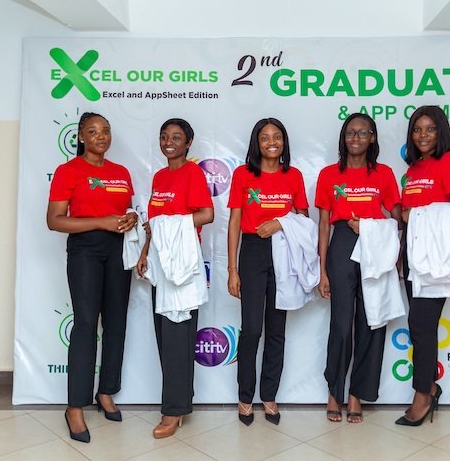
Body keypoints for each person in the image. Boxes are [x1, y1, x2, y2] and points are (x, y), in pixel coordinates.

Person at [47, 112, 139, 443]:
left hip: (118, 250)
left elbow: (125, 210)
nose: (101, 136)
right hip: (85, 250)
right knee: (86, 324)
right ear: (82, 137)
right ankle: (75, 406)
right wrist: (101, 222)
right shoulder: (68, 171)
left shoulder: (121, 172)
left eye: (106, 131)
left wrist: (130, 218)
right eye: (93, 131)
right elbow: (55, 221)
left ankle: (106, 391)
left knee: (116, 322)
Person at [315, 113, 402, 423]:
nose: (356, 138)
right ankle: (334, 392)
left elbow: (397, 217)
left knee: (371, 321)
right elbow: (323, 224)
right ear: (344, 137)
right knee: (341, 324)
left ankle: (356, 394)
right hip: (341, 244)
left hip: (374, 246)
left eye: (363, 132)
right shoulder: (329, 175)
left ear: (372, 137)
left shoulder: (384, 173)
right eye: (351, 132)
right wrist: (322, 270)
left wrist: (376, 234)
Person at [395, 105, 450, 426]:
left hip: (436, 259)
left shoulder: (449, 163)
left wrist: (415, 214)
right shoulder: (414, 169)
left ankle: (423, 395)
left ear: (441, 132)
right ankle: (428, 386)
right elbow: (408, 216)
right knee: (419, 326)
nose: (423, 135)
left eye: (429, 129)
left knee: (422, 326)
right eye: (417, 129)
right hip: (413, 257)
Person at [227, 118, 309, 425]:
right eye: (265, 137)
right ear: (256, 143)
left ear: (284, 142)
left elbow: (304, 220)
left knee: (277, 329)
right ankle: (245, 397)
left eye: (277, 137)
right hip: (252, 251)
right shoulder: (243, 174)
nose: (271, 142)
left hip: (285, 252)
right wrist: (232, 269)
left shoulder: (294, 175)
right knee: (251, 329)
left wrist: (279, 223)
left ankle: (269, 396)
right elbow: (234, 222)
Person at [136, 118, 214, 438]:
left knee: (178, 341)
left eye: (177, 137)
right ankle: (180, 401)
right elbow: (155, 223)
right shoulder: (159, 176)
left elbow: (206, 214)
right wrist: (144, 252)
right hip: (161, 265)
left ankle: (173, 410)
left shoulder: (193, 173)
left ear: (188, 143)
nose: (169, 142)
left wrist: (168, 223)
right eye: (164, 137)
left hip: (182, 267)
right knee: (165, 338)